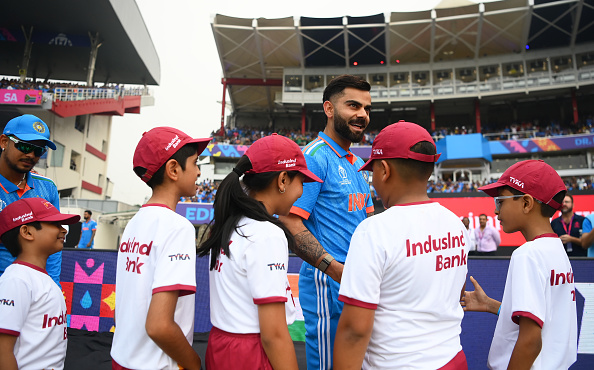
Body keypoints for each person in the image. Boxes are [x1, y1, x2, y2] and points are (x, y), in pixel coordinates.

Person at [333, 121, 469, 369]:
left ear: (384, 170)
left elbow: (354, 330)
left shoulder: (373, 231)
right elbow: (456, 294)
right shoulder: (456, 224)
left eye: (372, 170)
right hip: (453, 359)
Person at [198, 134, 322, 369]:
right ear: (283, 180)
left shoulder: (231, 224)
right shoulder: (267, 234)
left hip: (220, 347)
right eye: (302, 183)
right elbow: (273, 334)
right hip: (251, 353)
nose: (301, 192)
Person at [278, 74, 374, 370]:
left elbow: (368, 222)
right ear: (329, 109)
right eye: (353, 106)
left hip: (358, 281)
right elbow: (291, 220)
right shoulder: (313, 158)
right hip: (327, 284)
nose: (362, 115)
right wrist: (335, 270)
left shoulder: (358, 163)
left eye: (367, 109)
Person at [461, 160, 577, 369]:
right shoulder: (556, 248)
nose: (496, 211)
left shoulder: (527, 254)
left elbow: (531, 341)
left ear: (526, 203)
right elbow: (543, 321)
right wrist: (491, 305)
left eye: (500, 201)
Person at [110, 127, 210, 370]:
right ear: (174, 169)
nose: (198, 172)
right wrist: (194, 363)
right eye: (196, 163)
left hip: (122, 358)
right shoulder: (178, 227)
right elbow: (159, 326)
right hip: (157, 364)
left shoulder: (135, 222)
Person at [0, 197, 80, 369]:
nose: (64, 230)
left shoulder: (40, 278)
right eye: (54, 224)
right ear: (27, 232)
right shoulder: (17, 280)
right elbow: (2, 351)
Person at [0, 114, 62, 286]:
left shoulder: (47, 188)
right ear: (4, 142)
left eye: (39, 150)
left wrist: (53, 286)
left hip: (35, 291)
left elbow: (53, 244)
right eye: (25, 147)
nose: (32, 155)